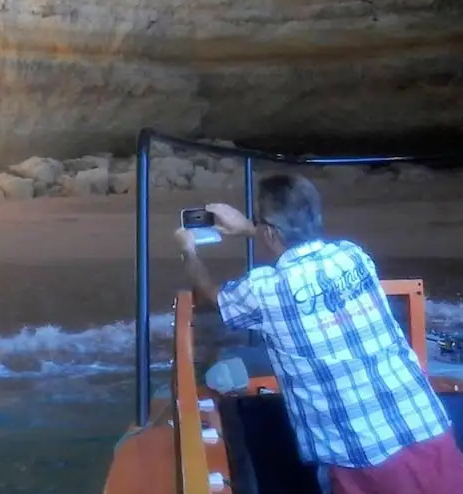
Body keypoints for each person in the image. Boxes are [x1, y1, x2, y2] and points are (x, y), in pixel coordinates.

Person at [176, 172, 463, 494]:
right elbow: (291, 241)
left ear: (269, 232)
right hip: (427, 426)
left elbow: (213, 298)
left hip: (359, 457)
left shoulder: (266, 288)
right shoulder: (354, 256)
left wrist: (189, 251)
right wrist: (250, 227)